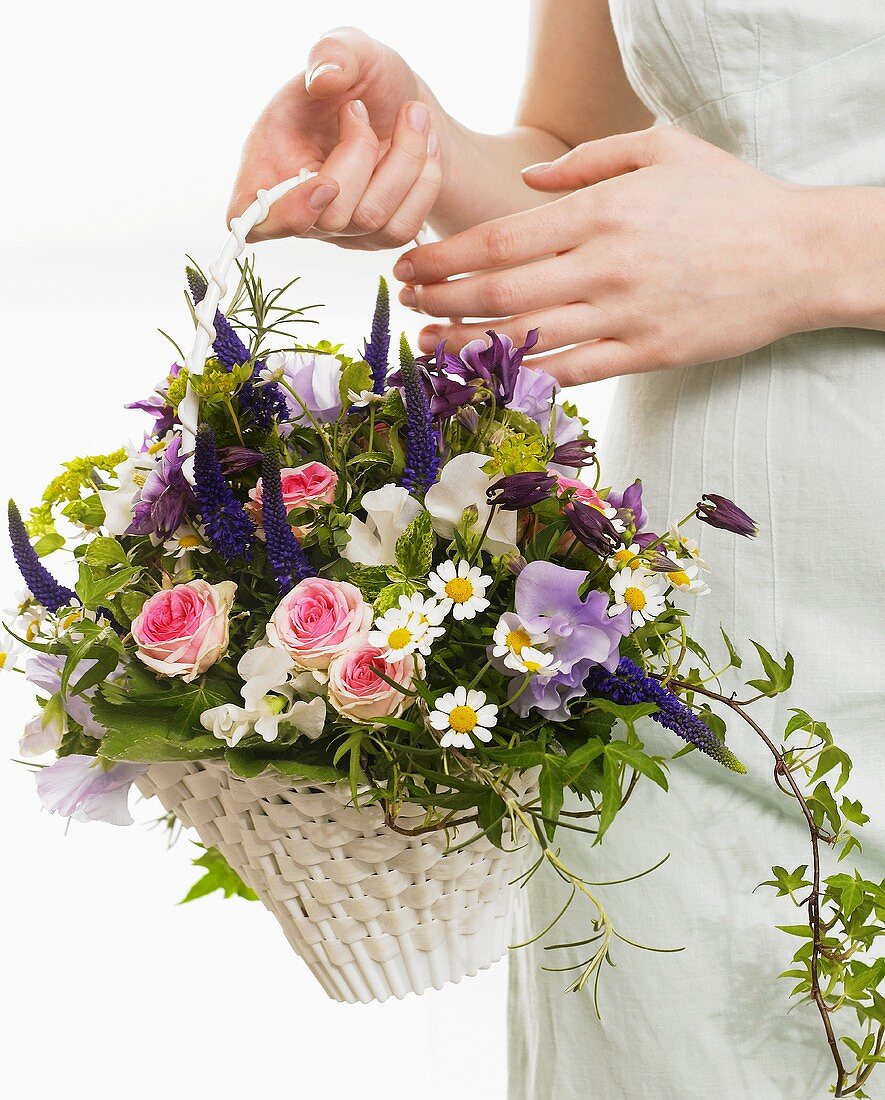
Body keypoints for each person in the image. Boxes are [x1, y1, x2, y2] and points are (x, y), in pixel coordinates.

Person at [228, 5, 885, 1096]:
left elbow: (754, 226)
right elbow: (580, 144)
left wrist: (819, 248)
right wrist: (421, 145)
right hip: (700, 673)